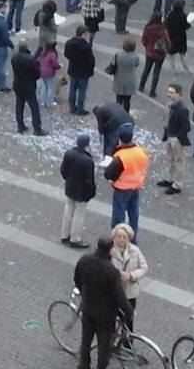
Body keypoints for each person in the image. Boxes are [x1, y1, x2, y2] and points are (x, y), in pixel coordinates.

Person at [74, 236, 133, 369]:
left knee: (86, 340)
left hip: (88, 307)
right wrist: (129, 312)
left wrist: (83, 293)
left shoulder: (84, 261)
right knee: (104, 346)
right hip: (106, 315)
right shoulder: (111, 271)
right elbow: (119, 297)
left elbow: (77, 279)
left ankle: (84, 365)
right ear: (111, 249)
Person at [103, 125, 149, 240]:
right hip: (136, 186)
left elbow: (109, 174)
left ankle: (118, 239)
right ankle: (132, 238)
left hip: (122, 188)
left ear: (120, 139)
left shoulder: (121, 157)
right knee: (133, 213)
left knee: (119, 216)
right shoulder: (141, 152)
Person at [60, 135, 95, 249]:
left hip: (70, 187)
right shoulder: (88, 161)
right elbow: (90, 180)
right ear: (87, 145)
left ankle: (64, 234)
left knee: (68, 209)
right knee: (79, 214)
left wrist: (68, 179)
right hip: (82, 192)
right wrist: (92, 191)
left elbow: (63, 170)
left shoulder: (69, 153)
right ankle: (75, 239)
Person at [109, 223, 148, 325]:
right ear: (115, 237)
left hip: (130, 291)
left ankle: (127, 340)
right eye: (119, 236)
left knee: (128, 321)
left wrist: (131, 275)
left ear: (129, 238)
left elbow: (144, 268)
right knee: (110, 319)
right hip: (113, 291)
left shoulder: (135, 250)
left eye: (124, 237)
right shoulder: (109, 251)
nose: (121, 239)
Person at [159, 83, 190, 195]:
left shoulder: (182, 109)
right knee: (169, 159)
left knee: (178, 161)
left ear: (178, 94)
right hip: (169, 135)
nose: (169, 95)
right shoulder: (170, 105)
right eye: (168, 92)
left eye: (172, 93)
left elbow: (186, 126)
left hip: (176, 137)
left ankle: (177, 184)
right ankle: (169, 179)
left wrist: (177, 137)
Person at [11, 36, 45, 136]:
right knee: (34, 107)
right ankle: (37, 128)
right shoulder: (30, 59)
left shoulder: (14, 57)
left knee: (19, 106)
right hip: (29, 86)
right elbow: (37, 74)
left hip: (18, 84)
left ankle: (20, 125)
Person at [65, 25, 95, 115]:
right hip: (83, 72)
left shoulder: (69, 43)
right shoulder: (86, 46)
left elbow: (66, 54)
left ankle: (72, 107)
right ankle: (80, 109)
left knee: (72, 89)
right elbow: (91, 60)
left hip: (73, 69)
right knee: (82, 91)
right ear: (83, 34)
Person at [138, 13, 169, 98]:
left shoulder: (148, 28)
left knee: (146, 70)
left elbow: (144, 41)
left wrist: (147, 47)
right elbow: (167, 42)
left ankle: (141, 86)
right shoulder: (163, 30)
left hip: (149, 52)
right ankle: (152, 91)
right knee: (156, 72)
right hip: (160, 54)